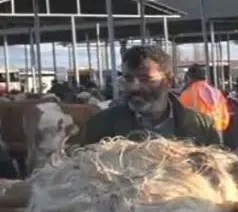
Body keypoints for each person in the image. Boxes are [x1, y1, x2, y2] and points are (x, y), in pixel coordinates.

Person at [82, 44, 222, 145]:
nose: (134, 87)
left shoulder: (201, 126)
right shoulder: (102, 126)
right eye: (128, 78)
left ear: (168, 80)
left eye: (145, 79)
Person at [178, 64, 231, 132]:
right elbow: (225, 118)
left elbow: (180, 119)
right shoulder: (217, 92)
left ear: (189, 77)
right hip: (218, 133)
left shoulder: (186, 94)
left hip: (196, 136)